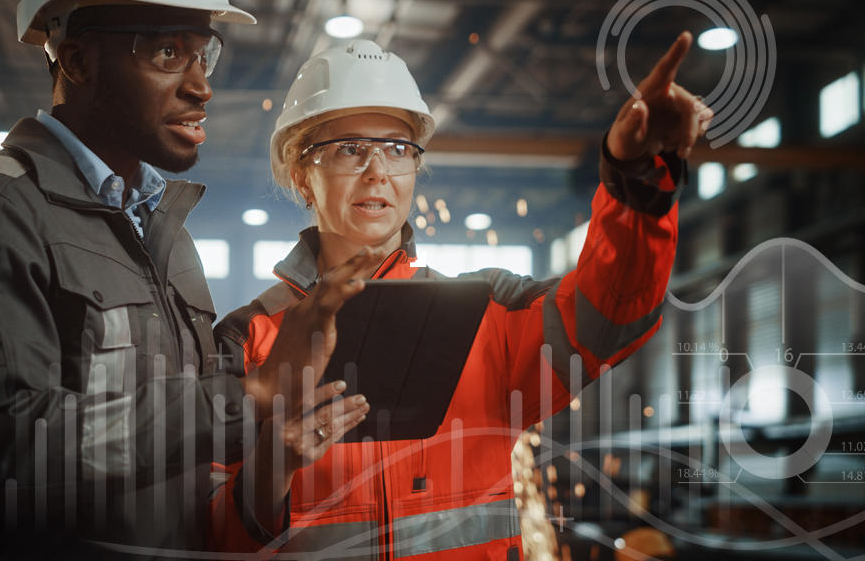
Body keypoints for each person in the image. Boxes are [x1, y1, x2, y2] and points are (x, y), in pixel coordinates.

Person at [208, 37, 712, 558]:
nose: (378, 170)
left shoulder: (486, 312)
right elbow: (211, 538)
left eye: (398, 149)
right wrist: (270, 468)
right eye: (350, 149)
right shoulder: (248, 341)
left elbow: (611, 315)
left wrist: (637, 181)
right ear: (302, 177)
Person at [0, 0, 369, 557]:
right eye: (168, 52)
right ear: (77, 60)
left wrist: (275, 431)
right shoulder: (0, 209)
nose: (202, 87)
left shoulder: (167, 231)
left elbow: (181, 430)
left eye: (203, 55)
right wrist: (250, 397)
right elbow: (1, 455)